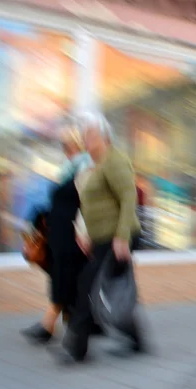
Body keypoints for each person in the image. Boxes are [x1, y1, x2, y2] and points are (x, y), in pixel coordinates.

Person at [48, 112, 144, 364]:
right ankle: (137, 340)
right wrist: (84, 233)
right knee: (112, 289)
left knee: (88, 284)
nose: (85, 140)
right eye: (84, 136)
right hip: (102, 238)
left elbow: (128, 197)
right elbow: (87, 205)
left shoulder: (115, 160)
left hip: (120, 236)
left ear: (104, 137)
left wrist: (122, 238)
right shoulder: (94, 167)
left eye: (90, 136)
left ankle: (77, 348)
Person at [21, 122, 92, 344]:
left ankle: (50, 325)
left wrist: (84, 233)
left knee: (64, 277)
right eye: (63, 143)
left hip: (73, 234)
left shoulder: (86, 167)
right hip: (58, 233)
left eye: (67, 142)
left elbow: (86, 203)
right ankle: (71, 324)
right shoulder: (69, 167)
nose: (64, 146)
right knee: (62, 277)